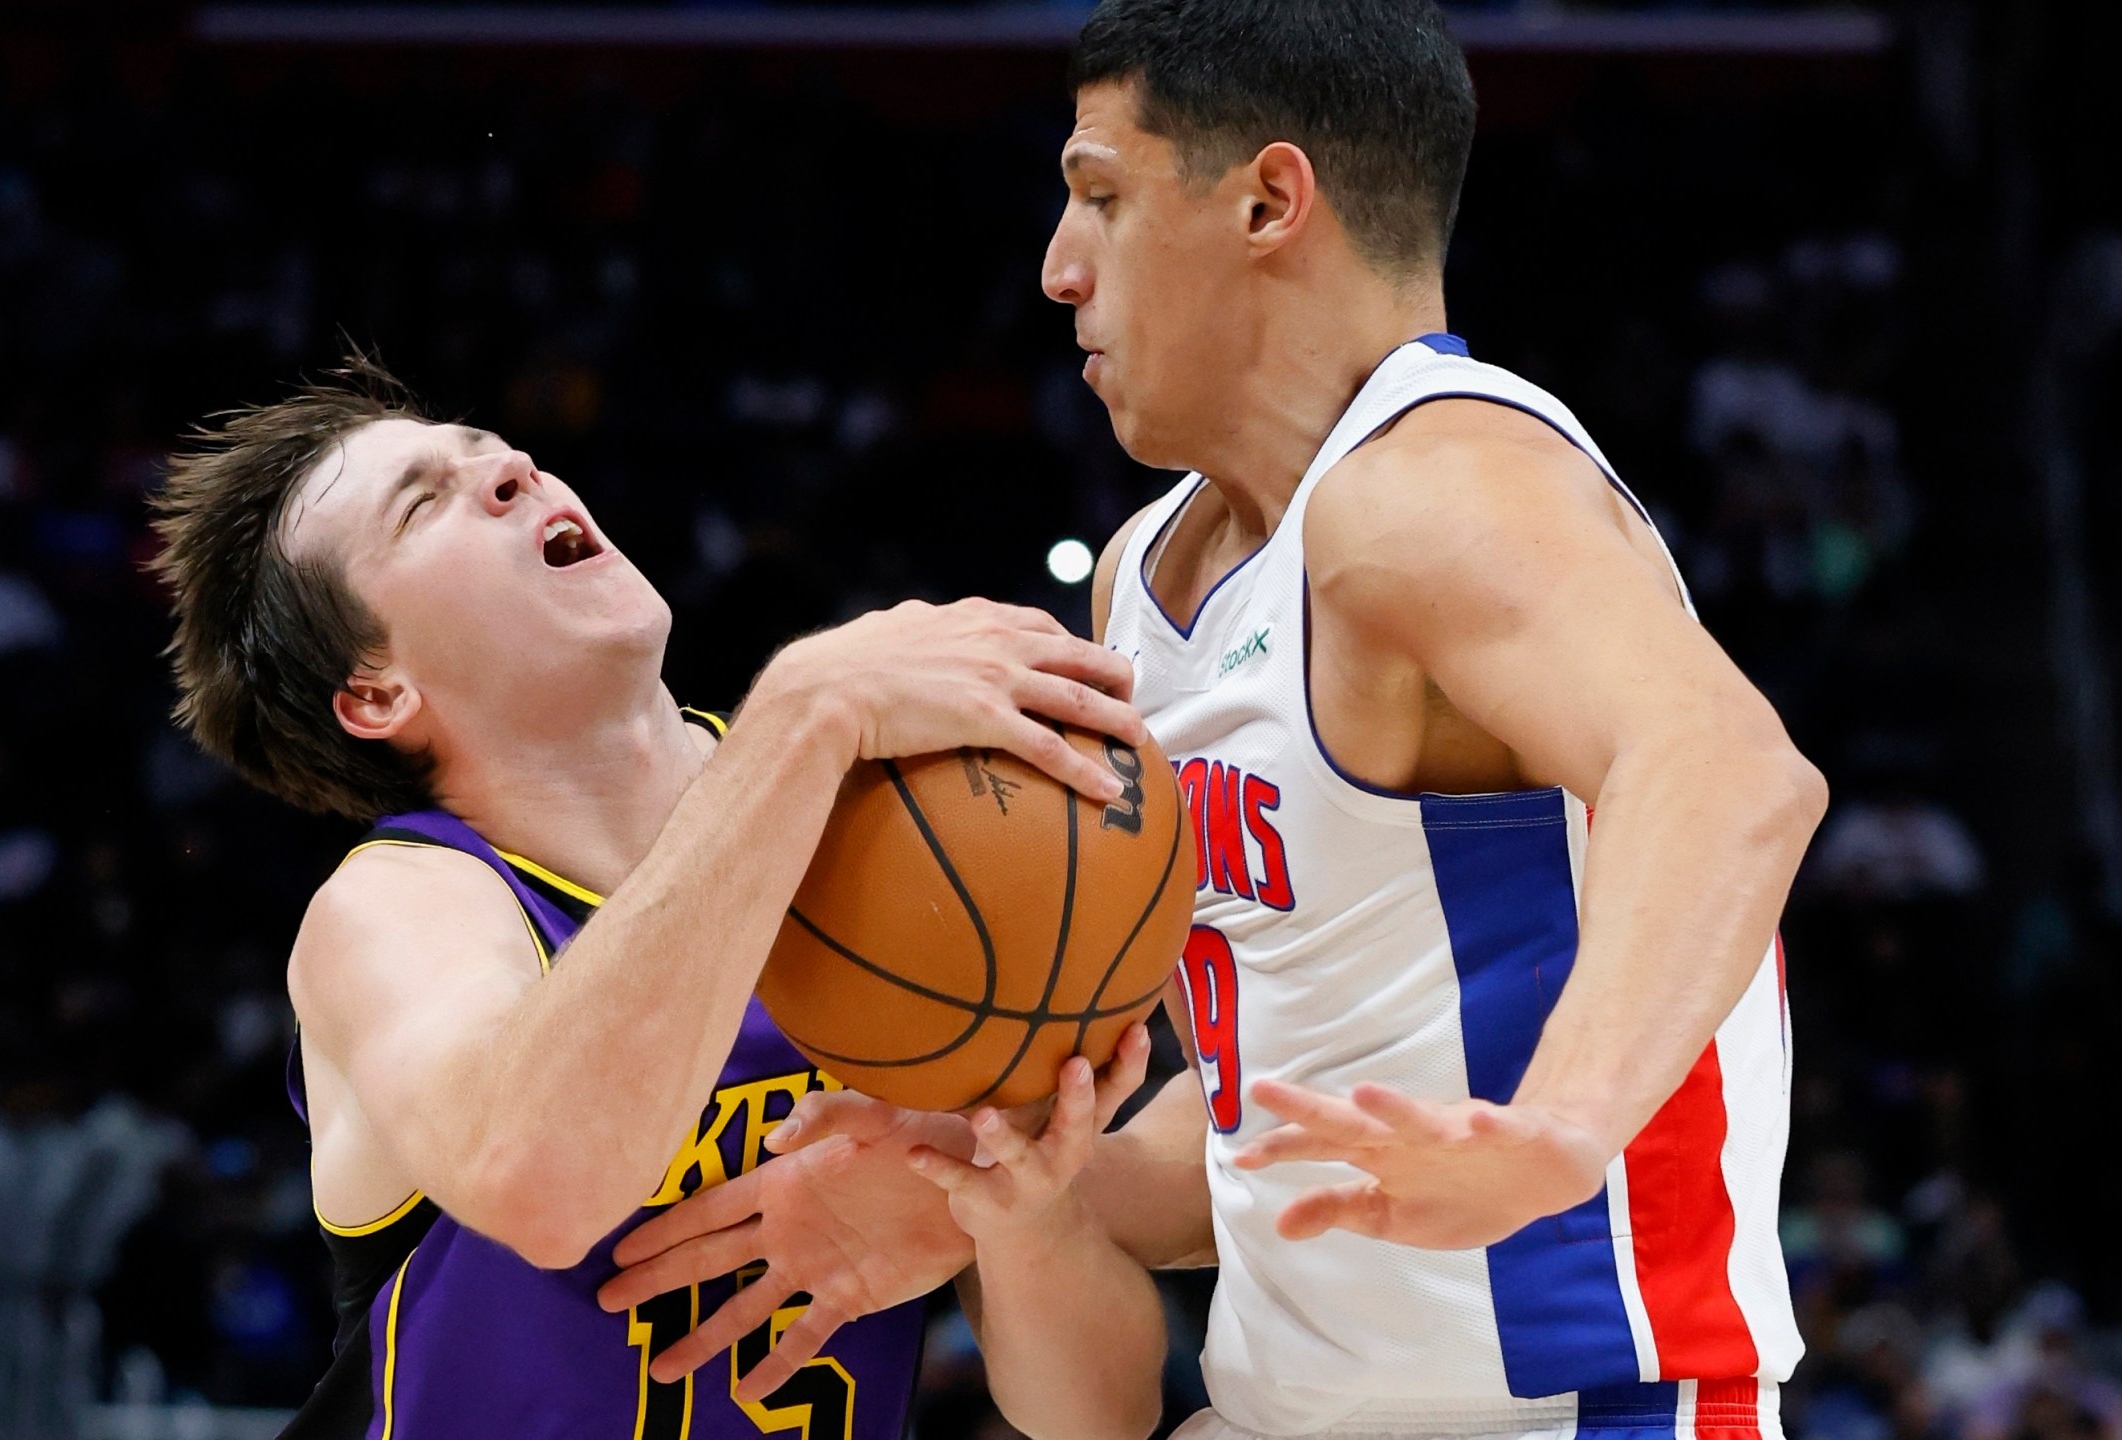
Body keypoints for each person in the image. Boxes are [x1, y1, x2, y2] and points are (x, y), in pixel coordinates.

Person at [600, 3, 1828, 1438]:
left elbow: (1728, 769)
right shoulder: (1143, 577)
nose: (1059, 270)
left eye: (1103, 198)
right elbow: (1275, 1121)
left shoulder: (1432, 487)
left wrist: (1561, 1127)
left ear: (1268, 201)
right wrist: (999, 1175)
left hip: (1584, 1408)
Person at [146, 357, 1152, 1438]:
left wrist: (1016, 1219)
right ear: (378, 691)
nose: (513, 472)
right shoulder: (405, 905)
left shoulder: (877, 854)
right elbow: (537, 1182)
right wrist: (803, 714)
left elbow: (1102, 1419)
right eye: (425, 501)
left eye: (493, 453)